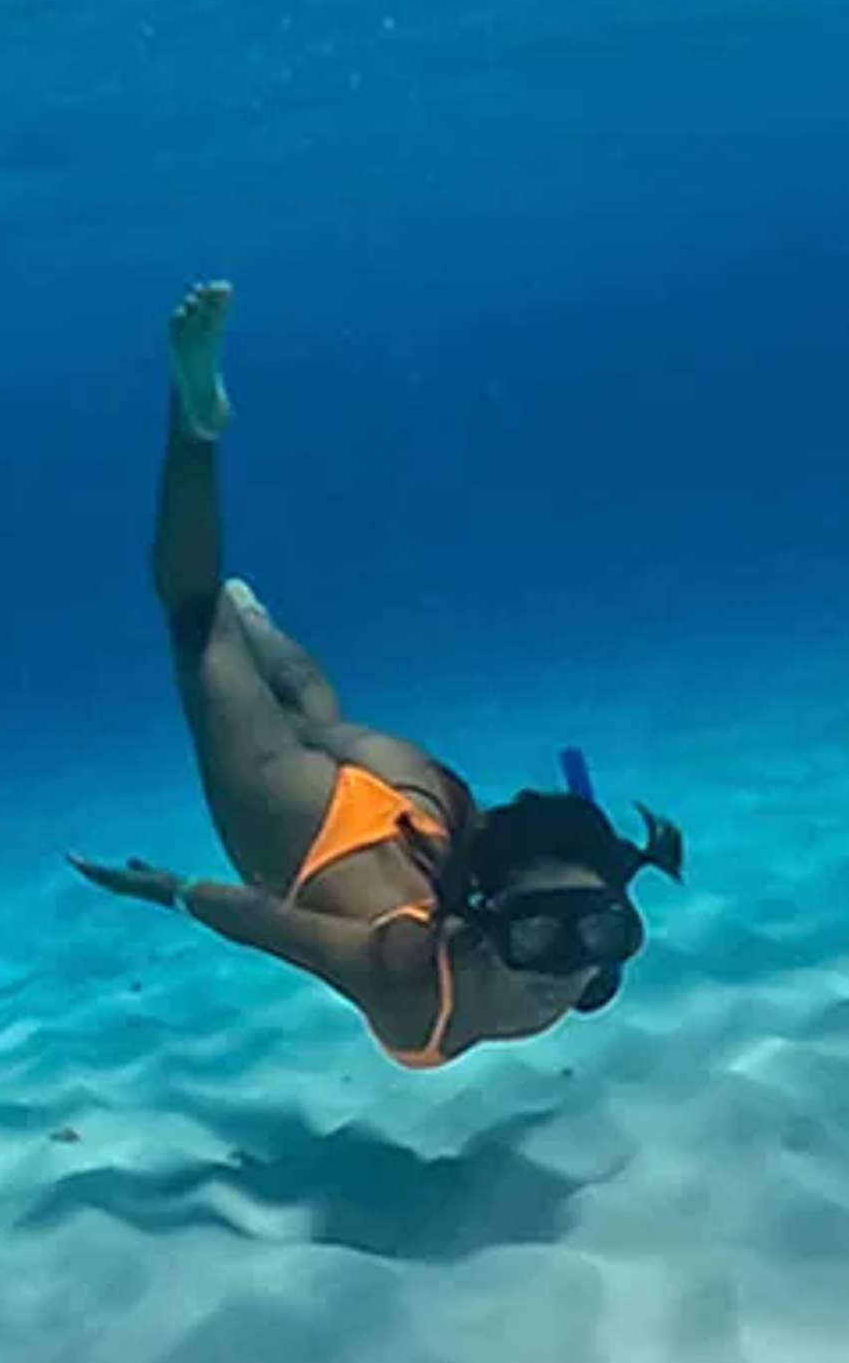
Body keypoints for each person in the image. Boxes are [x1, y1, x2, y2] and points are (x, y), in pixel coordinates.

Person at [68, 280, 684, 1070]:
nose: (567, 970)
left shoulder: (589, 963)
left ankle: (255, 619)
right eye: (537, 936)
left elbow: (557, 906)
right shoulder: (407, 981)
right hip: (311, 832)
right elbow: (268, 923)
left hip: (430, 809)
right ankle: (196, 429)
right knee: (196, 622)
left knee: (319, 719)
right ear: (484, 920)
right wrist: (168, 890)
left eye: (602, 932)